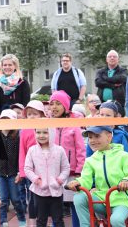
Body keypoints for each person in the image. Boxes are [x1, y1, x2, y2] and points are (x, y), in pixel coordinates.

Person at [67, 126, 128, 227]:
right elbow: (86, 179)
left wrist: (127, 181)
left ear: (109, 137)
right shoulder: (91, 160)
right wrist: (78, 182)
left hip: (121, 200)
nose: (93, 140)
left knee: (115, 220)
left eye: (97, 136)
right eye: (90, 137)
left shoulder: (124, 156)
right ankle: (86, 225)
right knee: (79, 197)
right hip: (101, 199)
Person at [49, 90, 86, 226]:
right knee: (55, 207)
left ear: (66, 106)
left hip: (72, 173)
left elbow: (81, 150)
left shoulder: (74, 125)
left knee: (75, 205)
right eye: (52, 104)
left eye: (58, 103)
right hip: (54, 173)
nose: (54, 107)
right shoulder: (49, 125)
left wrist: (79, 170)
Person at [24, 128, 70, 227]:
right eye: (38, 132)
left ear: (52, 133)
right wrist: (37, 180)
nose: (41, 135)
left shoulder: (59, 150)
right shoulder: (32, 150)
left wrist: (59, 180)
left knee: (58, 219)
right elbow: (27, 168)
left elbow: (66, 168)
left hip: (56, 191)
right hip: (39, 192)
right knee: (41, 219)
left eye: (45, 132)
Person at [18, 100, 48, 226]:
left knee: (47, 196)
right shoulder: (24, 130)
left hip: (46, 169)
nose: (32, 116)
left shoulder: (47, 129)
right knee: (32, 198)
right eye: (29, 114)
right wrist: (22, 171)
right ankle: (32, 222)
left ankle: (46, 220)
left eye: (35, 113)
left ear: (42, 115)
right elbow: (22, 151)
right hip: (31, 171)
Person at [0, 109, 26, 227]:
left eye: (9, 120)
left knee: (16, 199)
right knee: (3, 200)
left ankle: (22, 219)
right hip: (1, 173)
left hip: (13, 172)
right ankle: (3, 221)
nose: (6, 123)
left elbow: (20, 155)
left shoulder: (17, 136)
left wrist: (20, 171)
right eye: (3, 120)